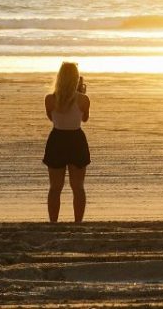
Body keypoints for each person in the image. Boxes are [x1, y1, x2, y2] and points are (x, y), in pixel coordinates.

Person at [43, 62, 91, 223]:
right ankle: (78, 222)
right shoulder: (83, 99)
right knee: (78, 187)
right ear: (76, 78)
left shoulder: (50, 99)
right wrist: (80, 93)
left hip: (57, 139)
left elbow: (52, 118)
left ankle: (53, 223)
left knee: (55, 187)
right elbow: (84, 118)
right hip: (76, 139)